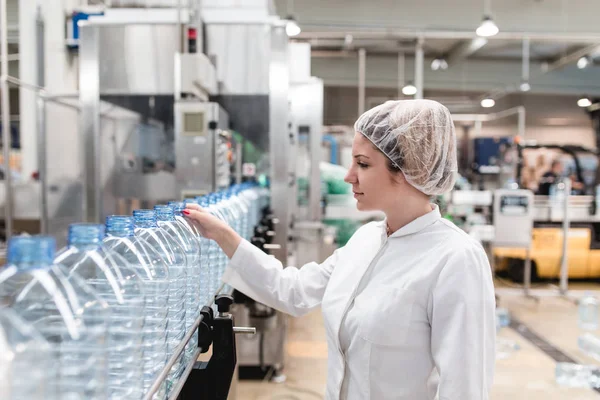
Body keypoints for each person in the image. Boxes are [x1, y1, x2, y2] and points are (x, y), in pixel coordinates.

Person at [183, 100, 496, 400]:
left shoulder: (455, 259)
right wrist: (223, 235)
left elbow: (463, 387)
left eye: (362, 164)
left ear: (406, 169)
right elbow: (293, 291)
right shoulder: (367, 240)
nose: (348, 176)